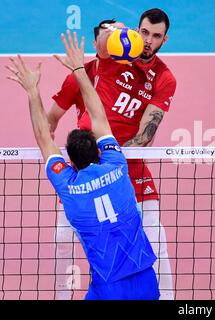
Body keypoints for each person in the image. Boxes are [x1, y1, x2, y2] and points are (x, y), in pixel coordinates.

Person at [6, 31, 159, 300]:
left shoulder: (69, 187)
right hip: (146, 279)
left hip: (108, 287)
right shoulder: (115, 163)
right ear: (99, 151)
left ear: (71, 163)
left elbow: (44, 139)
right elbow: (99, 115)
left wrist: (32, 90)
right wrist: (79, 68)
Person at [47, 9, 175, 300]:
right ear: (135, 30)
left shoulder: (164, 78)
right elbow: (102, 43)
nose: (147, 41)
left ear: (164, 40)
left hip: (128, 167)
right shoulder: (108, 60)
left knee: (157, 240)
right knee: (63, 239)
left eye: (156, 36)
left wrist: (113, 160)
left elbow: (145, 135)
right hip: (86, 169)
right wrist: (115, 35)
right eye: (143, 33)